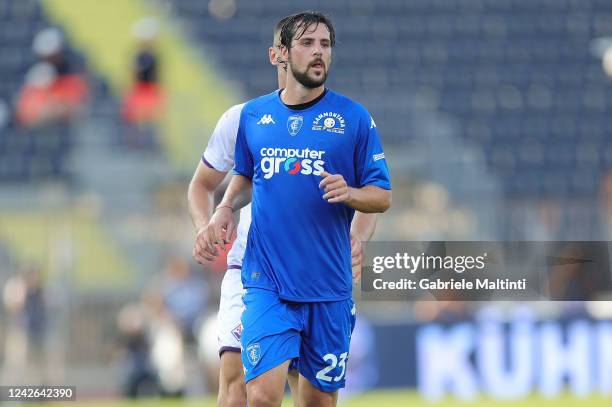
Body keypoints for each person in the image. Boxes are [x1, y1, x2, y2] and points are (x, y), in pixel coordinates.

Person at [188, 16, 379, 407]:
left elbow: (370, 190)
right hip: (254, 271)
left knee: (311, 394)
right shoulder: (245, 118)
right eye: (306, 44)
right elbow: (205, 184)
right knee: (241, 383)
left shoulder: (346, 121)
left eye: (323, 45)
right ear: (278, 54)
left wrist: (357, 237)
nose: (316, 53)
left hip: (317, 274)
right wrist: (208, 223)